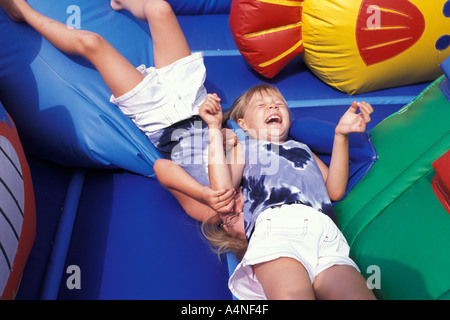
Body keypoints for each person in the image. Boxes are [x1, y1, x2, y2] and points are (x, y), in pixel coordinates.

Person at [0, 0, 238, 223]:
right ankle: (120, 1)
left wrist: (204, 193)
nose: (240, 213)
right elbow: (231, 143)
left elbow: (162, 169)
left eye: (239, 223)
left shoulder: (209, 212)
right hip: (193, 97)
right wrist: (222, 138)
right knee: (160, 9)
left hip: (157, 112)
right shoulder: (252, 182)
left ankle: (22, 12)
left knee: (93, 44)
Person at [199, 83, 377, 300]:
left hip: (327, 237)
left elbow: (334, 190)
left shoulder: (302, 149)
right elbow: (222, 190)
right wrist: (214, 128)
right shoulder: (245, 149)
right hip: (278, 231)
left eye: (279, 104)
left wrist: (341, 135)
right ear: (243, 124)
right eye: (262, 105)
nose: (273, 107)